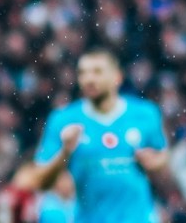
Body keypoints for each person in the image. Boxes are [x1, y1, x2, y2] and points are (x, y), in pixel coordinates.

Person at [32, 49, 169, 223]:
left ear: (117, 77)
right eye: (83, 73)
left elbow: (162, 155)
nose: (89, 79)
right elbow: (41, 180)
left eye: (97, 72)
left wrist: (155, 162)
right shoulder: (63, 119)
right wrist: (65, 153)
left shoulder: (146, 113)